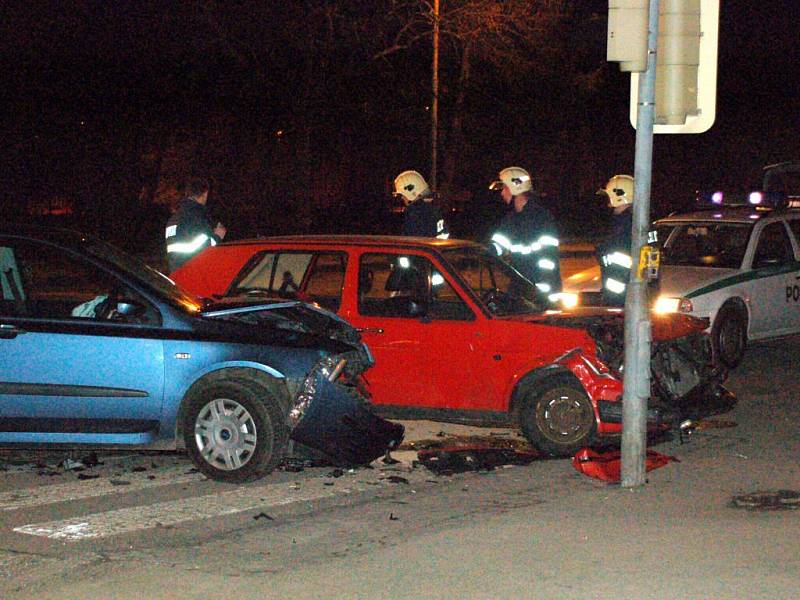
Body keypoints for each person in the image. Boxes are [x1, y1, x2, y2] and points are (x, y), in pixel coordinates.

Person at [489, 166, 562, 304]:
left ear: (514, 188)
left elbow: (548, 259)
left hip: (542, 292)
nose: (502, 193)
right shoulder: (511, 220)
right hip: (522, 288)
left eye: (504, 188)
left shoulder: (541, 218)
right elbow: (497, 246)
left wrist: (542, 291)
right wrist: (478, 255)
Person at [164, 177, 227, 273]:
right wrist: (218, 236)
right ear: (205, 194)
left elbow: (185, 246)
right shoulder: (196, 217)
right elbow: (203, 250)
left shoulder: (174, 219)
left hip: (176, 275)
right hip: (193, 274)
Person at [595, 174, 634, 306]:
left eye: (609, 197)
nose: (607, 203)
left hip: (621, 295)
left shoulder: (625, 223)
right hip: (625, 292)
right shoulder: (633, 221)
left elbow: (620, 257)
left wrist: (602, 251)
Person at [393, 170, 449, 239]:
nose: (402, 198)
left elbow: (411, 242)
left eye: (402, 195)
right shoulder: (433, 210)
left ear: (410, 193)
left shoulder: (415, 213)